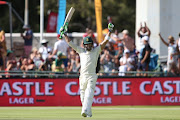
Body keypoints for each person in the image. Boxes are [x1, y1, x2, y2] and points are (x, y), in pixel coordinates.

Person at [61, 23, 114, 117]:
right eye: (87, 44)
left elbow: (105, 41)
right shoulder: (81, 51)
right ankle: (88, 112)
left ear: (92, 44)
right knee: (83, 96)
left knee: (89, 93)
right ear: (85, 45)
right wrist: (65, 34)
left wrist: (109, 32)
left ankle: (84, 110)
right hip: (82, 76)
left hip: (92, 75)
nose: (89, 46)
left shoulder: (96, 50)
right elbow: (70, 42)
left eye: (90, 44)